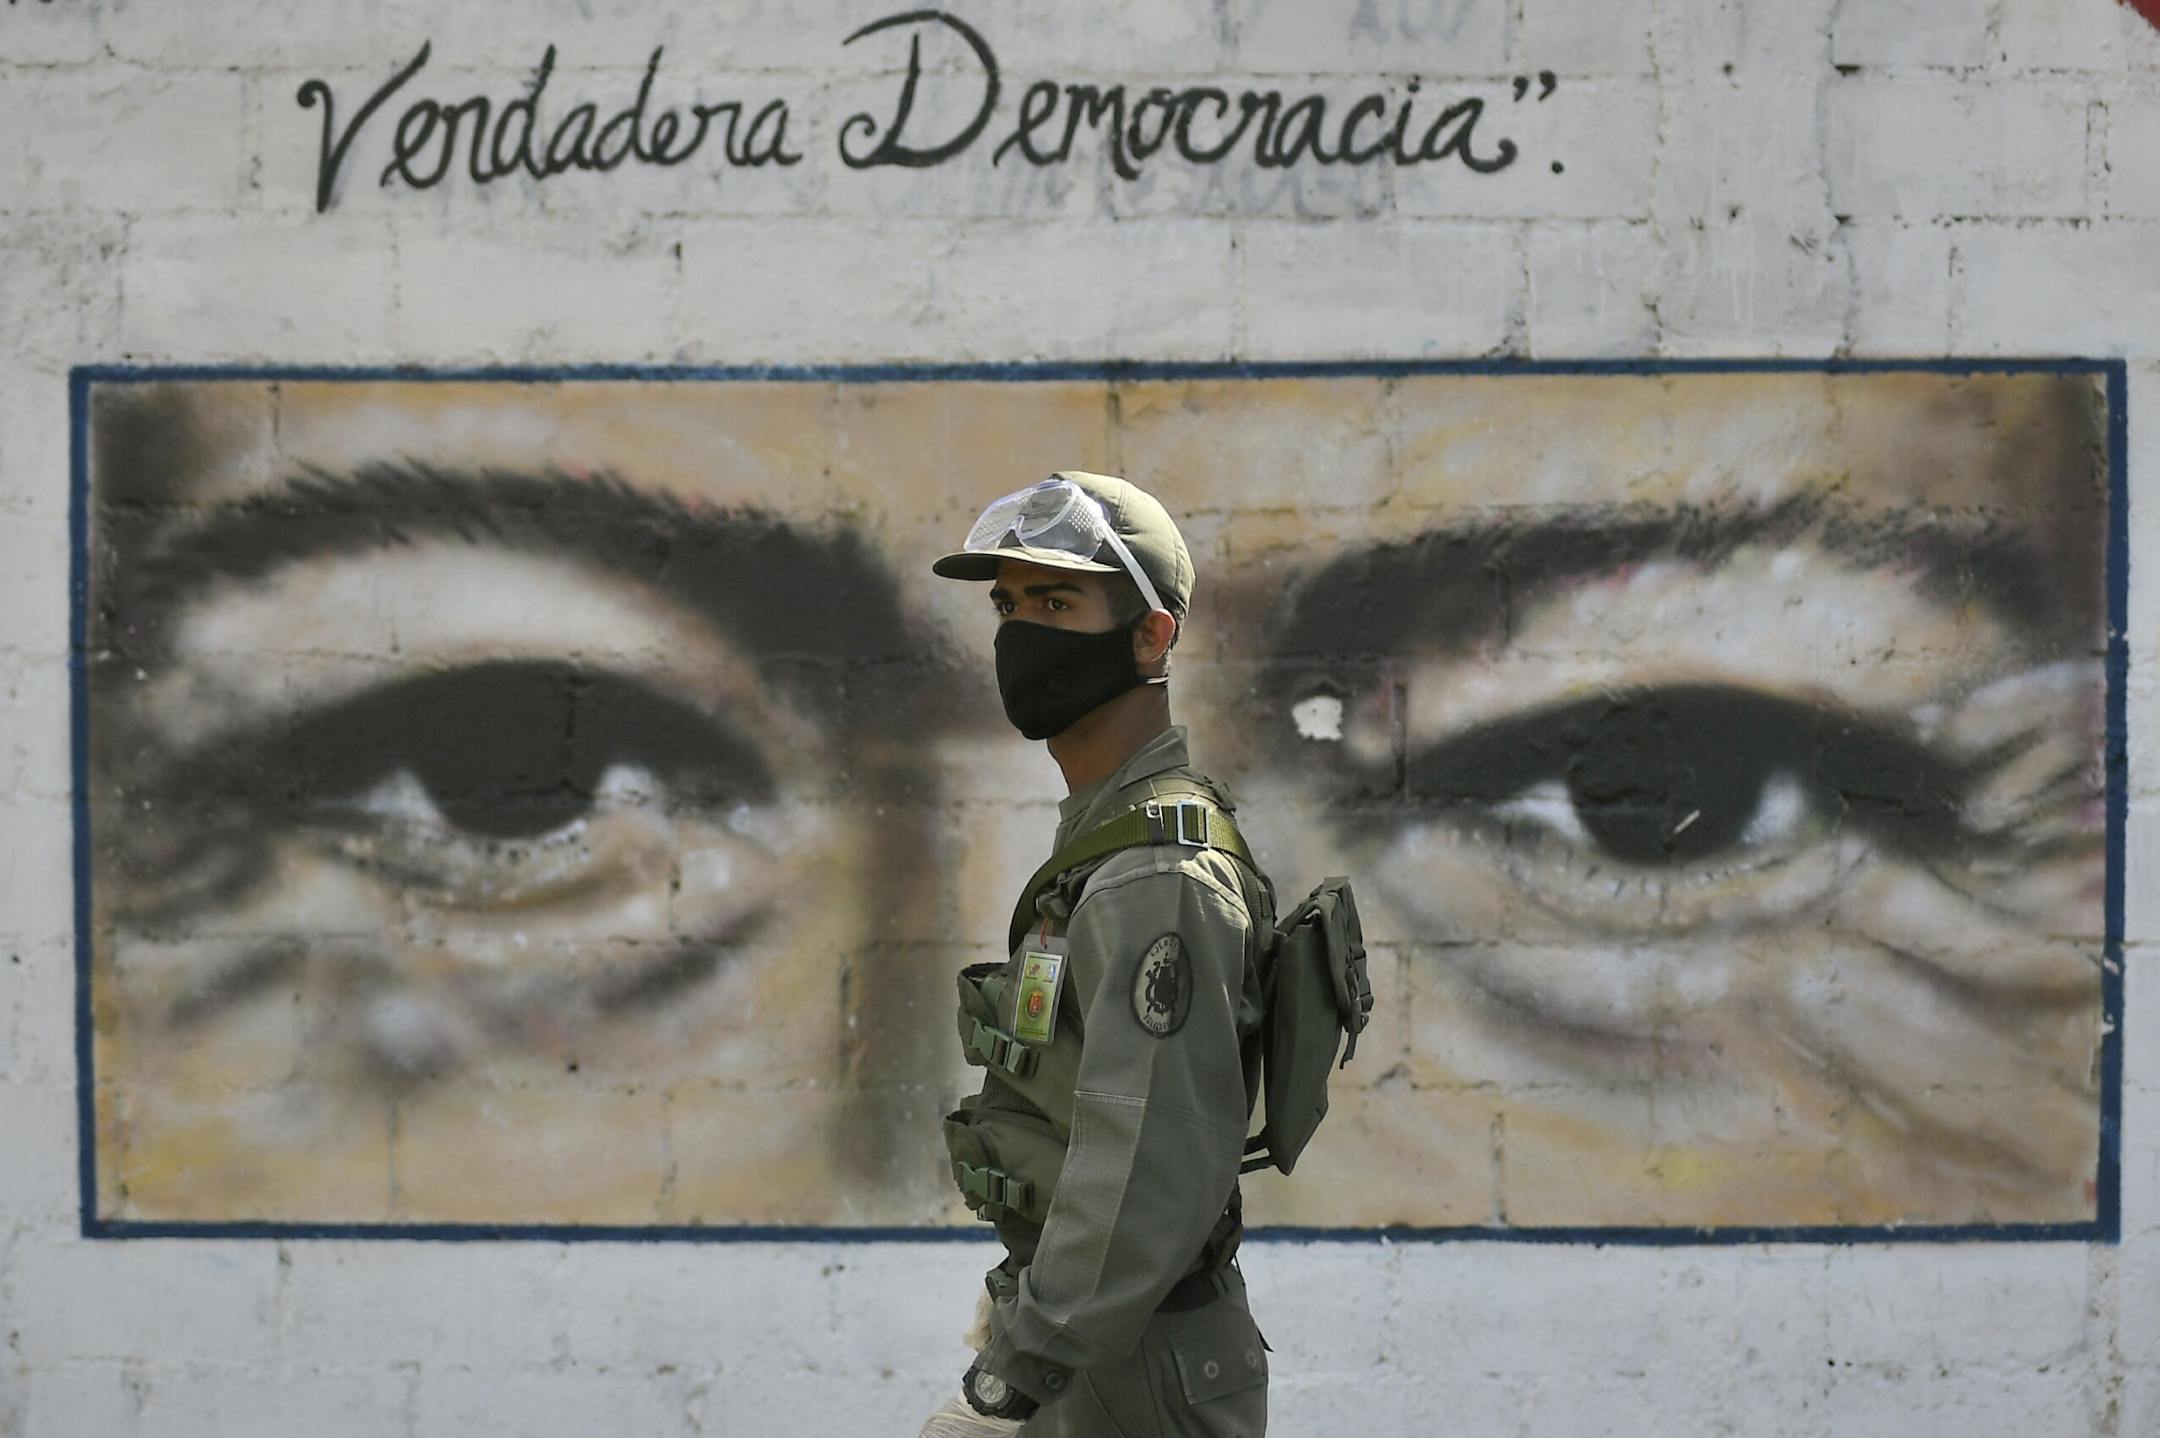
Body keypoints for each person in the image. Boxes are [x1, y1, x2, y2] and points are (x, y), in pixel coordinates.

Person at [917, 472, 1273, 1437]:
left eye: (1056, 603)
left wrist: (1009, 1379)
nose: (1019, 633)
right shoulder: (1106, 839)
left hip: (1133, 1367)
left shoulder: (1156, 874)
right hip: (1095, 1346)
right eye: (1008, 606)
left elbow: (1146, 1159)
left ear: (1151, 636)